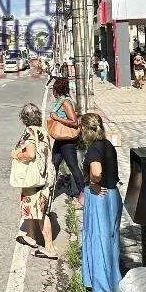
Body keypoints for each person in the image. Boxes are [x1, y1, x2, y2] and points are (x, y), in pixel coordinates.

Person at [79, 112, 125, 292]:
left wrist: (94, 184)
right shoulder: (107, 145)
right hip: (112, 195)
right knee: (110, 240)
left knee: (100, 240)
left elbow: (96, 171)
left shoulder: (94, 149)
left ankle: (105, 286)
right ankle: (105, 280)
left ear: (86, 130)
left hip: (101, 198)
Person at [12, 103, 58, 259]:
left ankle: (50, 248)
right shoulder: (43, 132)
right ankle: (31, 236)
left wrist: (17, 155)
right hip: (46, 175)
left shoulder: (30, 132)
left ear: (24, 118)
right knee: (33, 208)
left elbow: (30, 154)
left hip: (35, 178)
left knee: (40, 212)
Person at [48, 78, 84, 206]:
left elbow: (74, 121)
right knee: (54, 164)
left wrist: (57, 118)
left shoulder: (65, 103)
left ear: (58, 90)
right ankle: (50, 191)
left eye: (54, 89)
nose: (52, 91)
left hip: (67, 141)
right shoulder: (61, 101)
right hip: (60, 139)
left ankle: (83, 193)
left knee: (73, 166)